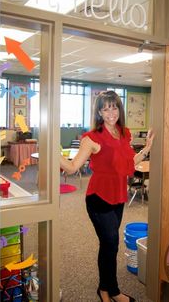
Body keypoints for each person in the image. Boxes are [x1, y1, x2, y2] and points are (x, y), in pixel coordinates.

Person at [60, 90, 154, 302]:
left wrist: (147, 148)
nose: (110, 112)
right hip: (99, 198)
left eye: (113, 107)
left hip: (119, 196)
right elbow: (73, 167)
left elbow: (129, 162)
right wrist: (52, 153)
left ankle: (104, 288)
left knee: (110, 244)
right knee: (110, 242)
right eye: (105, 108)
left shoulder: (124, 133)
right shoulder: (91, 138)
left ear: (119, 109)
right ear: (99, 112)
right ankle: (112, 291)